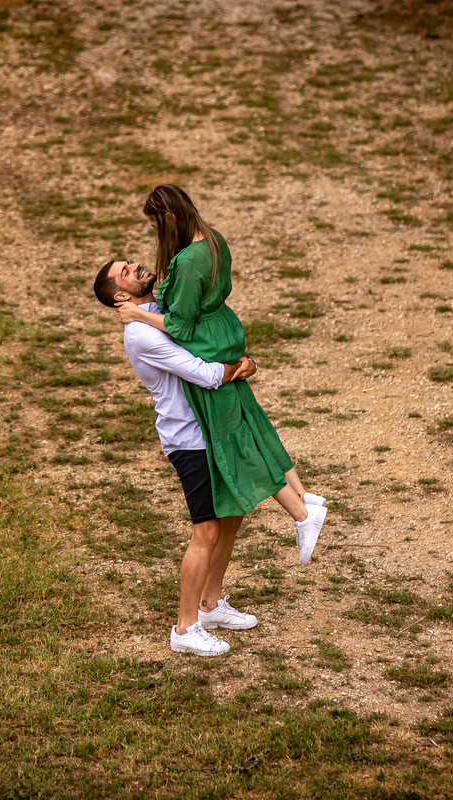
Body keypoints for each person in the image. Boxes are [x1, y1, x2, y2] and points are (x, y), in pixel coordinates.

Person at [117, 184, 327, 561]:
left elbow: (180, 326)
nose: (154, 232)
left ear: (170, 218)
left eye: (155, 224)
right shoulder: (214, 240)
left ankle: (301, 513)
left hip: (207, 347)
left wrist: (137, 314)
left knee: (237, 442)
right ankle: (303, 496)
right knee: (254, 425)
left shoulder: (186, 261)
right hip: (224, 333)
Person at [93, 258, 260, 656]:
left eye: (131, 262)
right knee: (206, 531)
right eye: (126, 271)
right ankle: (184, 628)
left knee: (232, 516)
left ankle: (210, 605)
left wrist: (243, 362)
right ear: (121, 297)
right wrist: (241, 366)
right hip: (189, 440)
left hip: (212, 429)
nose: (137, 265)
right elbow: (204, 373)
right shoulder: (141, 335)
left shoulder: (165, 310)